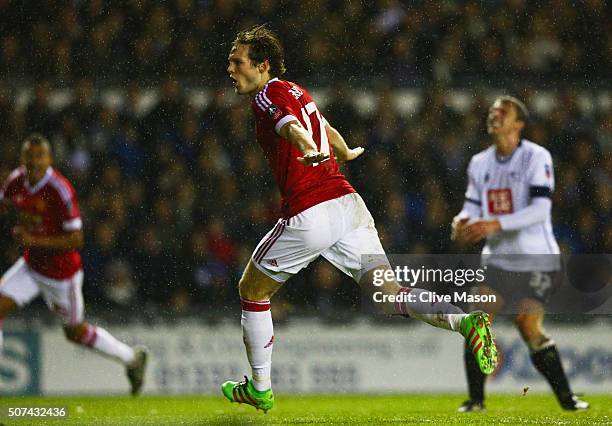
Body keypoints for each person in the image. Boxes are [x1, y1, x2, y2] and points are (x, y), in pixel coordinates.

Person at [221, 24, 497, 413]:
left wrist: (305, 147)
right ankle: (466, 323)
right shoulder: (298, 90)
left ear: (262, 65)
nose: (230, 69)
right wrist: (344, 150)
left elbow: (291, 127)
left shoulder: (266, 96)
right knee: (391, 295)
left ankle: (261, 387)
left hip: (310, 211)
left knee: (252, 290)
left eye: (237, 62)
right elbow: (321, 125)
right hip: (348, 206)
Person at [451, 96, 589, 411]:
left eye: (503, 112)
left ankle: (568, 400)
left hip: (537, 258)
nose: (495, 115)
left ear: (518, 124)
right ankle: (476, 402)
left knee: (527, 323)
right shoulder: (479, 163)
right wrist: (461, 222)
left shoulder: (536, 157)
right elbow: (472, 207)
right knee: (477, 322)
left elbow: (540, 210)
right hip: (497, 261)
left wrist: (495, 224)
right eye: (491, 111)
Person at [0, 134, 148, 395]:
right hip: (31, 267)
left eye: (39, 156)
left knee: (75, 332)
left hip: (61, 275)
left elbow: (76, 239)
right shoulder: (16, 181)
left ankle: (132, 359)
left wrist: (32, 239)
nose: (34, 161)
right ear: (22, 158)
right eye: (29, 156)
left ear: (49, 159)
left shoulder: (59, 190)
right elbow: (5, 203)